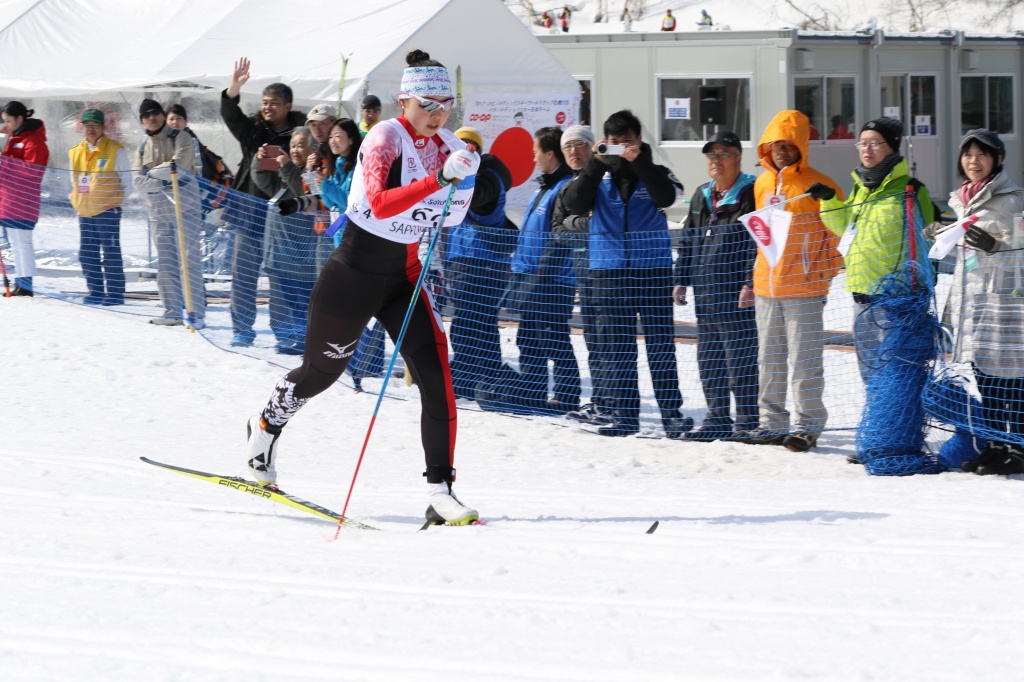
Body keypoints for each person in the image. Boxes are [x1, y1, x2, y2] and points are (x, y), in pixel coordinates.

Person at [244, 49, 481, 525]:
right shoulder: (383, 137)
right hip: (352, 274)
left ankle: (441, 489)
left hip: (404, 278)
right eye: (426, 103)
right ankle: (266, 427)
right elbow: (379, 201)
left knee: (437, 375)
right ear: (403, 101)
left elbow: (452, 214)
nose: (436, 114)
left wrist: (464, 176)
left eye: (445, 104)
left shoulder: (449, 144)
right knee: (320, 374)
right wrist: (439, 179)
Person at [563, 110, 692, 438]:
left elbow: (669, 197)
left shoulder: (657, 173)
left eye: (628, 142)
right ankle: (624, 416)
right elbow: (574, 204)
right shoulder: (598, 177)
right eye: (615, 143)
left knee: (660, 346)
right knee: (618, 347)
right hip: (608, 273)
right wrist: (596, 162)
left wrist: (641, 163)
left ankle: (671, 415)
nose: (622, 148)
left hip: (653, 270)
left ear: (639, 140)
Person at [744, 109, 843, 452]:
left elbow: (839, 238)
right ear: (766, 148)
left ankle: (808, 425)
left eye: (788, 144)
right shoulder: (761, 184)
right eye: (775, 144)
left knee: (805, 360)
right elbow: (760, 235)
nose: (781, 150)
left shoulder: (821, 185)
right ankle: (771, 422)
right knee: (769, 359)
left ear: (801, 146)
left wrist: (823, 274)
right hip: (767, 286)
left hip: (804, 287)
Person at [936, 129, 1024, 475]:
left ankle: (1017, 445)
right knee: (984, 376)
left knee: (1012, 376)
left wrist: (995, 247)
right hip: (973, 300)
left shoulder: (1013, 201)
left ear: (998, 159)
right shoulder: (961, 201)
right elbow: (967, 259)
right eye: (968, 154)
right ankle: (992, 443)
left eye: (982, 154)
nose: (973, 161)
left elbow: (1019, 252)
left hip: (1006, 304)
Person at [819, 117, 934, 380]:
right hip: (862, 297)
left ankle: (899, 421)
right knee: (869, 374)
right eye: (862, 143)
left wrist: (921, 286)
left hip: (897, 300)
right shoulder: (860, 188)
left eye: (874, 143)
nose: (866, 149)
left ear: (893, 147)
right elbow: (844, 227)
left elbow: (930, 239)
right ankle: (878, 420)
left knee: (898, 374)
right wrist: (828, 201)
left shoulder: (911, 191)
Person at [477, 126, 580, 415]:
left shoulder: (562, 188)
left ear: (550, 154)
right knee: (528, 338)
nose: (533, 159)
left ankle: (567, 396)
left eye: (536, 153)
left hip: (551, 279)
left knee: (554, 338)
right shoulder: (544, 187)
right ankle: (533, 391)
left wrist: (542, 274)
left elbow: (558, 238)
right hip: (532, 275)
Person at [673, 131, 759, 441]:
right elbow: (689, 239)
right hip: (706, 294)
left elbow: (755, 242)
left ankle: (748, 421)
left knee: (741, 360)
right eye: (711, 155)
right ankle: (717, 418)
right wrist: (681, 278)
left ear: (738, 158)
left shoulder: (750, 192)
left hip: (737, 294)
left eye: (723, 154)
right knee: (709, 361)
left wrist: (750, 282)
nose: (716, 161)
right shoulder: (701, 194)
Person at [221, 58, 307, 346]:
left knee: (281, 279)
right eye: (264, 101)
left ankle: (285, 335)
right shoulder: (253, 131)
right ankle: (242, 330)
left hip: (284, 219)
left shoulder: (300, 136)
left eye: (274, 102)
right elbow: (231, 115)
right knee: (243, 275)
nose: (267, 107)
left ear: (288, 106)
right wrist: (234, 87)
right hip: (248, 213)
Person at [444, 125, 515, 401]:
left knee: (477, 323)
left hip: (483, 261)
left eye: (464, 147)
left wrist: (457, 178)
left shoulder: (488, 176)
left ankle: (484, 377)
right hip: (463, 259)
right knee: (466, 322)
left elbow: (477, 201)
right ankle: (468, 375)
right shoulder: (467, 176)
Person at [132, 99, 207, 328]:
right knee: (165, 265)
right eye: (146, 115)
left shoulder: (181, 137)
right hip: (158, 215)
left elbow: (178, 167)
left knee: (189, 263)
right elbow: (137, 180)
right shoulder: (142, 147)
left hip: (186, 211)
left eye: (155, 113)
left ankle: (196, 314)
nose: (151, 118)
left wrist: (151, 175)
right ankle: (172, 311)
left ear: (163, 115)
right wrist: (162, 180)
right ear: (142, 120)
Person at [251, 127, 320, 355]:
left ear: (312, 149)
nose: (295, 150)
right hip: (279, 254)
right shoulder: (284, 173)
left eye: (301, 145)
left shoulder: (314, 172)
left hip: (300, 257)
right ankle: (289, 338)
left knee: (303, 302)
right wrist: (259, 159)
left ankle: (304, 341)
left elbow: (305, 192)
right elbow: (260, 178)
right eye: (293, 145)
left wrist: (288, 167)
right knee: (287, 301)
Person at [68, 108, 130, 306]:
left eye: (95, 125)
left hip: (107, 210)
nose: (91, 129)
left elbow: (127, 181)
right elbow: (74, 180)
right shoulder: (76, 151)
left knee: (110, 252)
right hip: (85, 210)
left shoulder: (115, 150)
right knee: (87, 253)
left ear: (103, 127)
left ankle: (114, 294)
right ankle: (95, 291)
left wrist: (114, 200)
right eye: (87, 126)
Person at [0, 101, 50, 297]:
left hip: (23, 202)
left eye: (9, 121)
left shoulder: (33, 142)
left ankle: (26, 284)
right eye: (4, 121)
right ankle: (20, 281)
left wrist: (4, 161)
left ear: (20, 118)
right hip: (9, 200)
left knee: (23, 243)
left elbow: (33, 171)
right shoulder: (11, 138)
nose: (7, 125)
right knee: (15, 243)